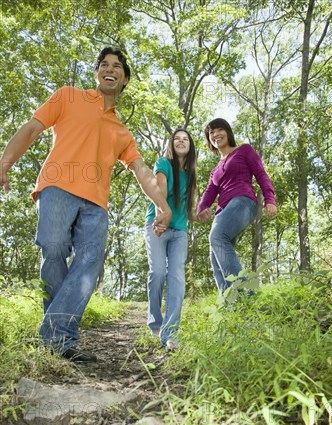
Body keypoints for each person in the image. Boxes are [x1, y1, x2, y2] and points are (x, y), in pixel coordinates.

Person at [0, 47, 172, 363]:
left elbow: (142, 171)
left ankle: (57, 337)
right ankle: (58, 335)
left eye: (117, 66)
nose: (110, 69)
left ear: (125, 79)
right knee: (53, 249)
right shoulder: (68, 97)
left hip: (96, 204)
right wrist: (5, 162)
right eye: (104, 64)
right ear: (97, 73)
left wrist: (163, 205)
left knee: (88, 265)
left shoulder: (122, 132)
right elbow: (32, 128)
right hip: (56, 188)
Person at [196, 118, 277, 295]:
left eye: (219, 130)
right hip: (222, 211)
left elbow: (261, 174)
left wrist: (270, 200)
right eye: (211, 133)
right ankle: (229, 305)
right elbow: (209, 193)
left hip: (243, 202)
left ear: (228, 132)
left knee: (217, 236)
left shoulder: (244, 150)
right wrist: (200, 210)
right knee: (216, 256)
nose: (215, 134)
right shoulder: (215, 170)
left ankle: (246, 296)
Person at [145, 128, 198, 351]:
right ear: (171, 144)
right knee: (157, 273)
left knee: (176, 277)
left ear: (191, 146)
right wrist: (162, 213)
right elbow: (161, 188)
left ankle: (171, 334)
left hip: (179, 231)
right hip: (157, 225)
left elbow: (192, 210)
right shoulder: (163, 163)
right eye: (177, 138)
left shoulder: (192, 174)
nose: (181, 141)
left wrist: (201, 214)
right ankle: (155, 321)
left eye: (185, 139)